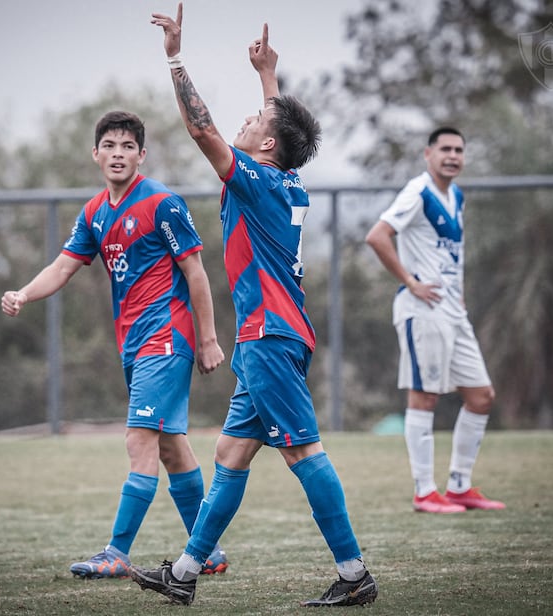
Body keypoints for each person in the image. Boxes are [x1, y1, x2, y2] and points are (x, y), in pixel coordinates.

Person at [130, 5, 378, 608]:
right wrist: (270, 77)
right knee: (230, 452)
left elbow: (201, 129)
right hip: (273, 334)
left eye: (256, 120)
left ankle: (354, 575)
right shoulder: (286, 179)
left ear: (265, 146)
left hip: (268, 334)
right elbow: (279, 132)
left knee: (302, 449)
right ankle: (186, 573)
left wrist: (176, 57)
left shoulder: (257, 179)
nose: (246, 120)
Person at [1, 110, 230, 579]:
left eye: (128, 146)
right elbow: (63, 267)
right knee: (170, 446)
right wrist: (23, 292)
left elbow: (196, 272)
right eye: (110, 145)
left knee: (138, 439)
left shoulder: (162, 203)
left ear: (141, 155)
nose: (118, 154)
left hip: (166, 337)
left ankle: (116, 553)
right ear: (96, 154)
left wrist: (208, 340)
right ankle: (208, 550)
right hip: (133, 344)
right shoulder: (94, 212)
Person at [365, 127, 506, 514]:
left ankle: (459, 486)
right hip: (421, 311)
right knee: (424, 397)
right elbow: (377, 236)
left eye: (459, 150)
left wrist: (456, 292)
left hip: (452, 312)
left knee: (481, 396)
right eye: (445, 149)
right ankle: (425, 492)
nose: (453, 156)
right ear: (428, 154)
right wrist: (410, 282)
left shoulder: (456, 195)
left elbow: (448, 254)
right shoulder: (418, 192)